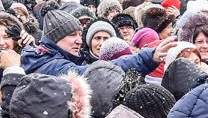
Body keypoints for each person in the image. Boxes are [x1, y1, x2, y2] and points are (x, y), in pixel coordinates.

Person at [22, 9, 170, 77]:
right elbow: (95, 73)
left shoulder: (46, 58)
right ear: (55, 39)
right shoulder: (52, 66)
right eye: (72, 35)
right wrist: (146, 58)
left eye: (80, 35)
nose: (79, 41)